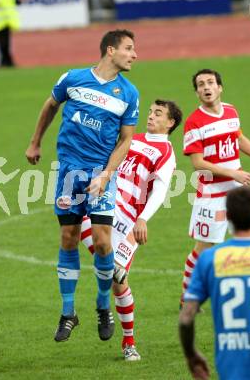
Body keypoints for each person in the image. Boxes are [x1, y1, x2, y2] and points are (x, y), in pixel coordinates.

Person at [25, 29, 139, 342]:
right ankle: (68, 312)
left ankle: (103, 305)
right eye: (129, 48)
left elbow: (126, 139)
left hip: (101, 175)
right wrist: (35, 143)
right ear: (110, 50)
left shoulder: (128, 93)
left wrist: (106, 174)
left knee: (103, 242)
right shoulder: (73, 79)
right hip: (68, 174)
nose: (134, 54)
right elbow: (50, 105)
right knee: (68, 237)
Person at [80, 99, 183, 360]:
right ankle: (105, 299)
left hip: (128, 220)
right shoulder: (132, 138)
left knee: (118, 281)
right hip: (105, 202)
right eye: (150, 111)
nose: (151, 116)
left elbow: (160, 192)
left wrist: (143, 219)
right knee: (79, 223)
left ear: (170, 123)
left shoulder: (165, 153)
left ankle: (128, 343)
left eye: (158, 114)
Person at [180, 69, 250, 305]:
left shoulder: (230, 111)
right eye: (200, 84)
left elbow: (238, 138)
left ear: (220, 87)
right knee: (203, 250)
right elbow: (198, 163)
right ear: (197, 92)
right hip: (212, 194)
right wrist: (233, 173)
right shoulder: (193, 122)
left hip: (237, 192)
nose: (206, 87)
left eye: (210, 82)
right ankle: (188, 296)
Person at [179, 186, 250, 380]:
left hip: (232, 369)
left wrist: (191, 355)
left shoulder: (211, 259)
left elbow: (186, 317)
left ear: (228, 217)